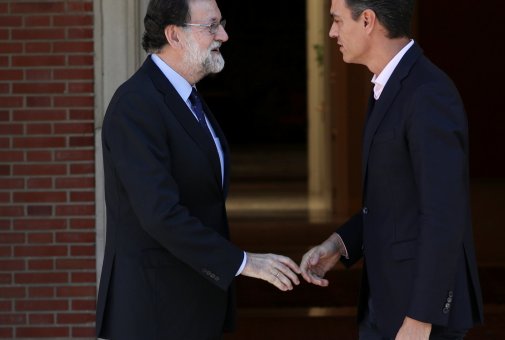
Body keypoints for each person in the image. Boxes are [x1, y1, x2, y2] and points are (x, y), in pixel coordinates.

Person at [95, 0, 301, 339]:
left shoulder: (187, 97)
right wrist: (244, 263)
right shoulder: (136, 105)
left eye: (221, 23)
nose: (224, 34)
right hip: (153, 312)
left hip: (192, 305)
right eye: (211, 26)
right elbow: (160, 214)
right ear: (174, 35)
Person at [300, 0, 484, 339]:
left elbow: (443, 213)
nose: (332, 32)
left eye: (338, 21)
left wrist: (420, 317)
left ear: (368, 20)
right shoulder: (388, 86)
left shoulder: (427, 93)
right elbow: (394, 198)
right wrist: (339, 245)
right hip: (386, 302)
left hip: (417, 315)